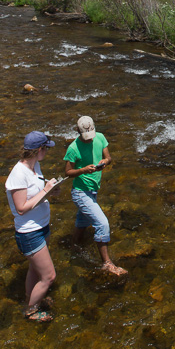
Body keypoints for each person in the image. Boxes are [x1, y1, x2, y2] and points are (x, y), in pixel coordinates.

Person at [6, 131, 62, 322]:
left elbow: (35, 195)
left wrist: (50, 191)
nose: (47, 152)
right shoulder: (18, 174)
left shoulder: (34, 166)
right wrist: (45, 190)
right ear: (39, 149)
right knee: (49, 277)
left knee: (34, 269)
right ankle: (31, 311)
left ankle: (31, 298)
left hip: (41, 226)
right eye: (46, 148)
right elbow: (21, 208)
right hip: (29, 232)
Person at [63, 116, 127, 276]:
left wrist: (104, 163)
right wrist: (83, 170)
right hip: (80, 192)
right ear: (77, 131)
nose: (90, 139)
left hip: (93, 190)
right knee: (102, 224)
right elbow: (68, 172)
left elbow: (108, 158)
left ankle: (74, 247)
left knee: (83, 221)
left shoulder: (100, 137)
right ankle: (107, 263)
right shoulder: (73, 148)